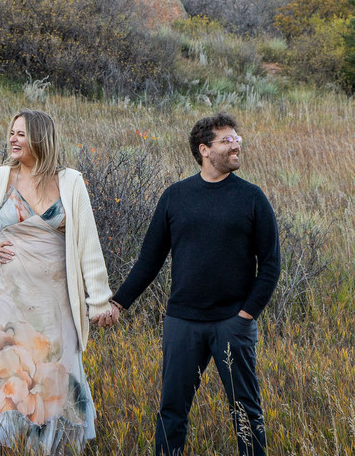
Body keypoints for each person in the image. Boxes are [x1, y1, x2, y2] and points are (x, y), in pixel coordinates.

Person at [100, 111, 280, 456]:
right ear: (204, 149)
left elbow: (270, 263)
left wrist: (246, 315)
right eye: (227, 140)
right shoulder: (176, 196)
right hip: (182, 322)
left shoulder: (252, 197)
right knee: (172, 411)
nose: (236, 145)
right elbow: (149, 261)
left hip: (232, 322)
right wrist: (118, 303)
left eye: (237, 139)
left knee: (246, 410)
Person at [0, 109, 115, 454]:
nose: (13, 139)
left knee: (51, 376)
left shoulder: (70, 182)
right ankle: (7, 446)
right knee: (7, 376)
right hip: (2, 300)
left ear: (41, 137)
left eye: (21, 133)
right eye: (11, 132)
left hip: (54, 301)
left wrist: (99, 300)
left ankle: (45, 447)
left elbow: (88, 246)